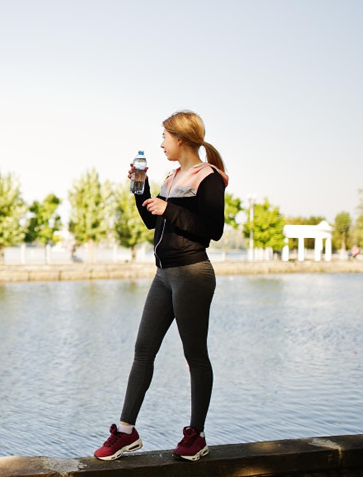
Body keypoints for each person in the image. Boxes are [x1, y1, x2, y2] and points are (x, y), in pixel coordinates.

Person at [94, 110, 229, 463]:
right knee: (143, 351)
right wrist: (141, 191)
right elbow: (151, 220)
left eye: (165, 137)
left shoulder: (208, 177)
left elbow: (212, 229)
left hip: (193, 274)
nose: (161, 143)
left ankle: (196, 435)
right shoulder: (171, 178)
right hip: (164, 275)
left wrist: (168, 209)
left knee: (194, 356)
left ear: (181, 139)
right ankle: (126, 432)